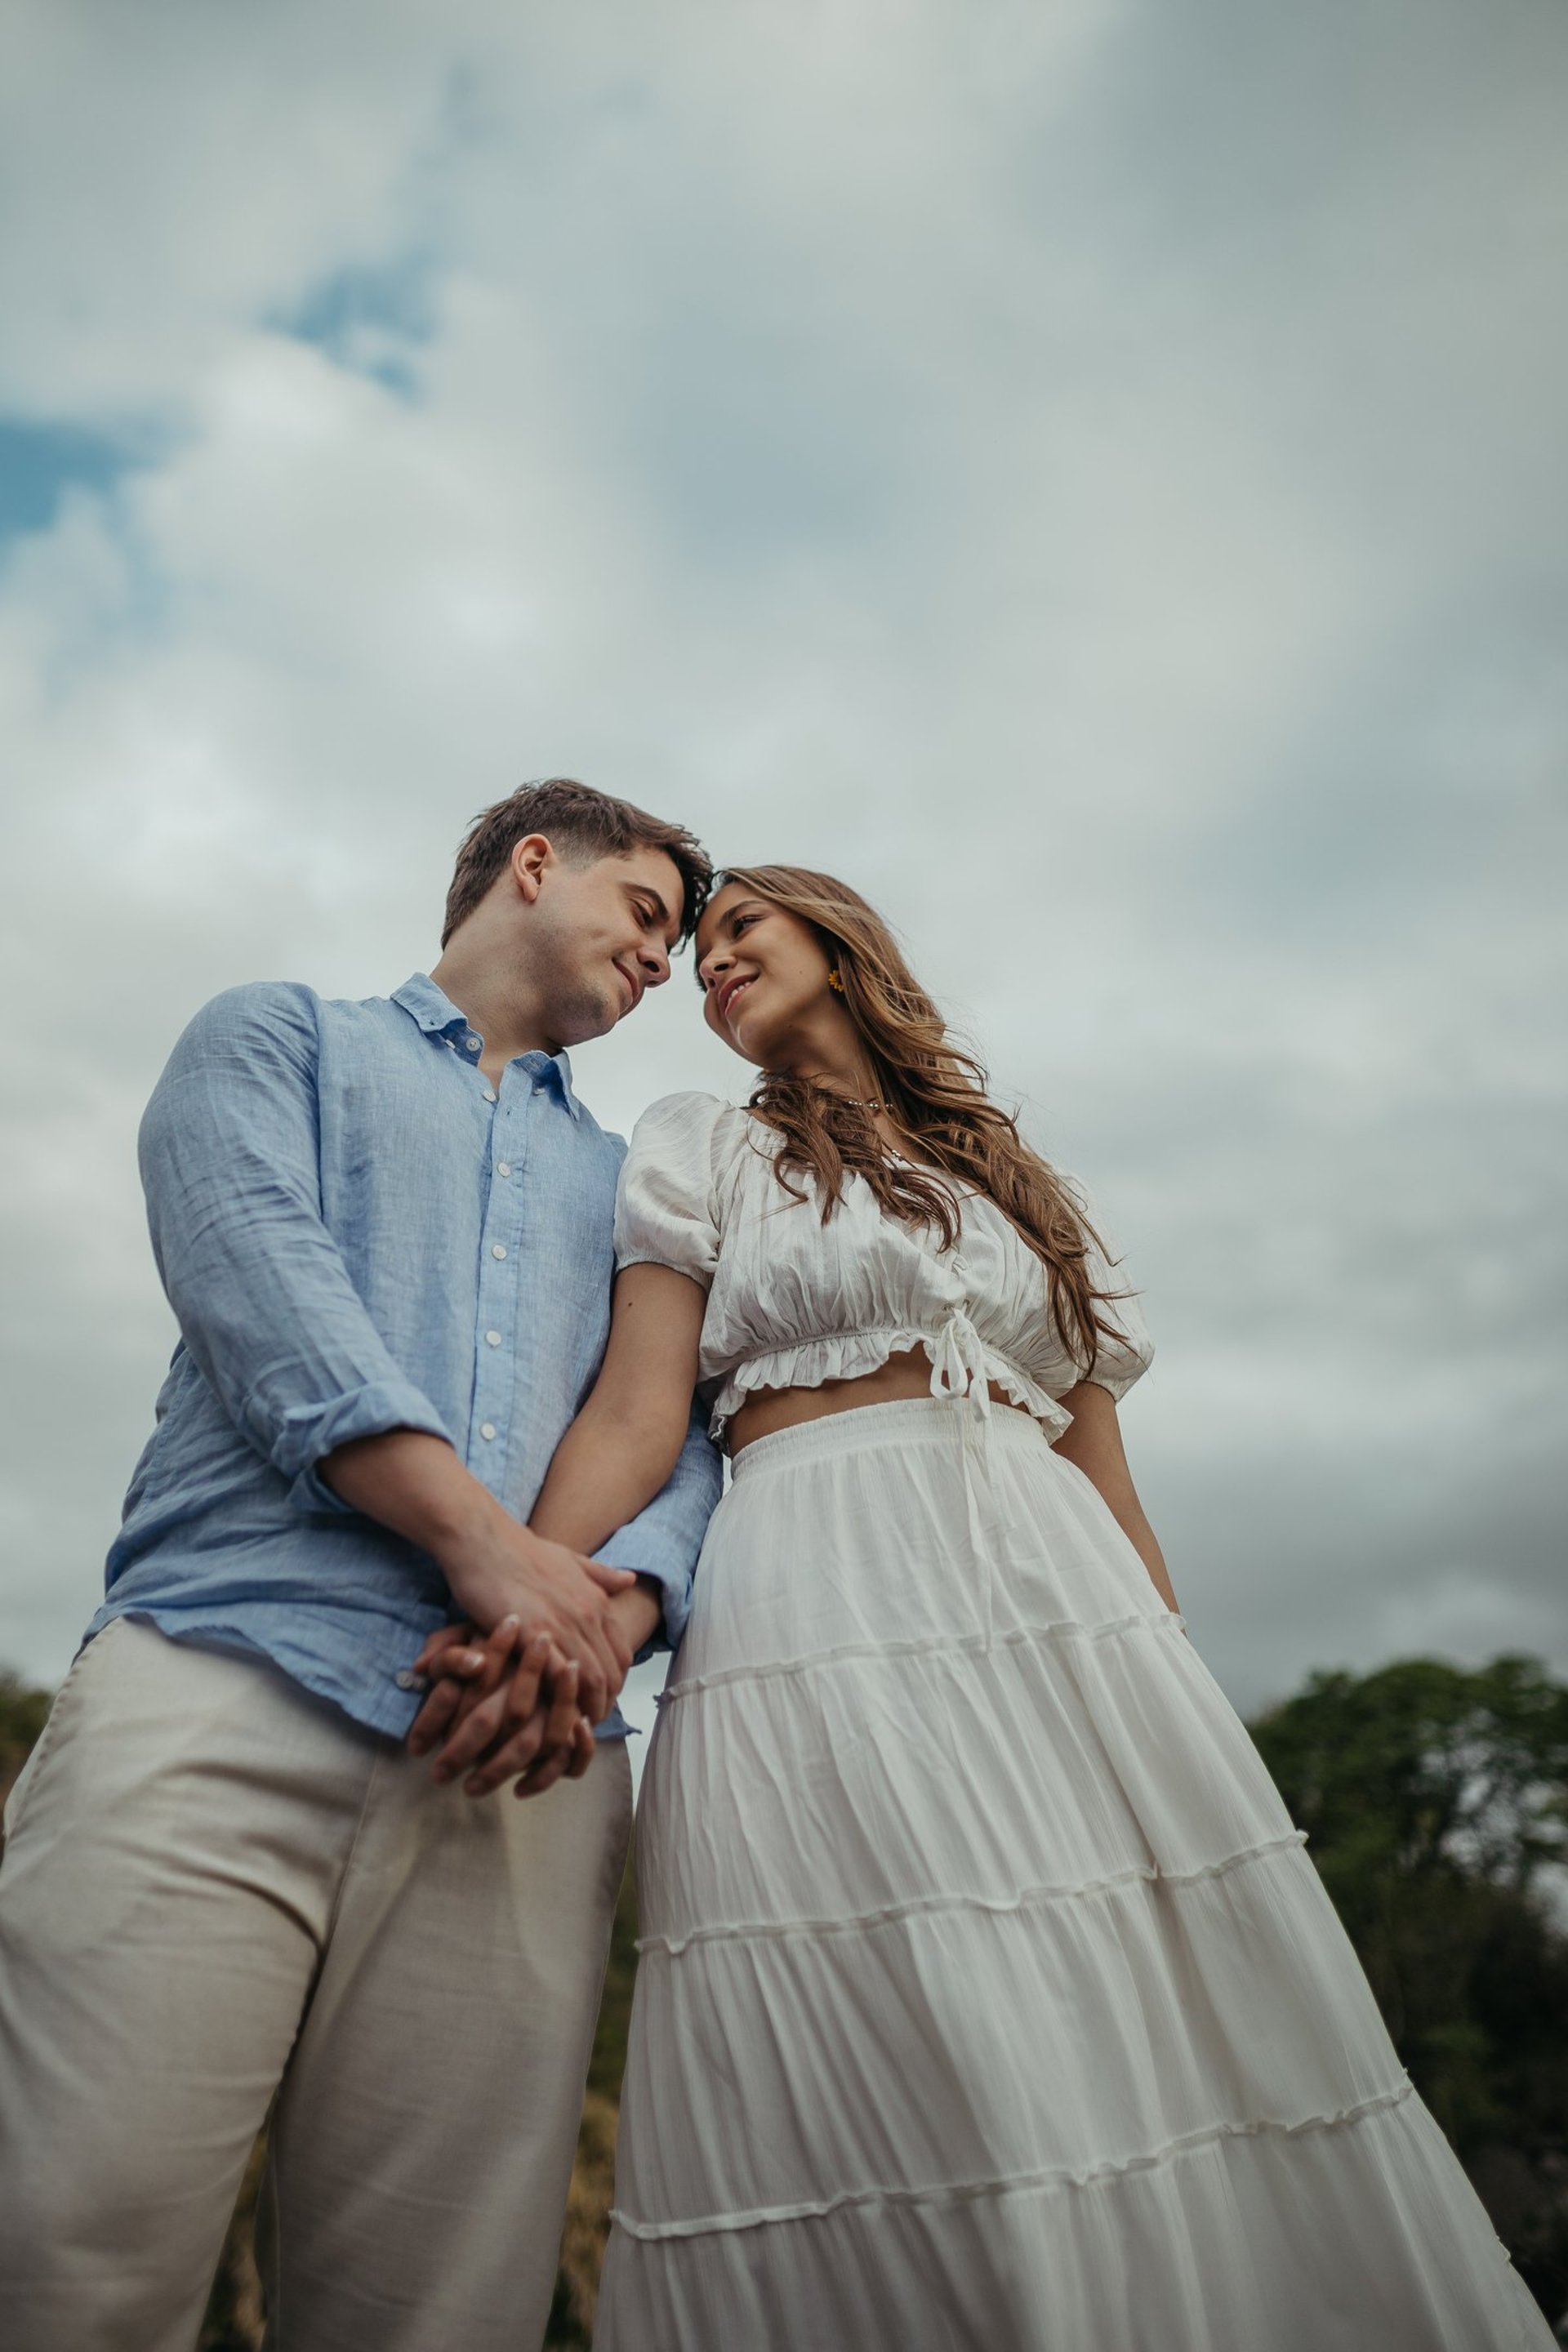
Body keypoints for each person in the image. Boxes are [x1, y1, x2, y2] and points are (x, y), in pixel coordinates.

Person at [418, 864, 1552, 2349]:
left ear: (842, 941)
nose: (712, 968)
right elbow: (640, 1416)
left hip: (1049, 1592)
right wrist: (525, 1602)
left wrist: (1172, 1690)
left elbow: (1106, 1473)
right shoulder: (702, 1148)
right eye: (693, 958)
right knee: (888, 1977)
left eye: (740, 931)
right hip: (817, 1581)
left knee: (1105, 1999)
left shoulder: (1020, 1183)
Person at [0, 780, 723, 2352]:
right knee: (64, 2251)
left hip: (526, 1770)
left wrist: (608, 1610)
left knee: (437, 2311)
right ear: (534, 865)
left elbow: (696, 1434)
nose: (665, 961)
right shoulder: (277, 1039)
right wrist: (492, 1552)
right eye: (647, 915)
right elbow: (257, 1273)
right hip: (220, 1687)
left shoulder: (638, 1190)